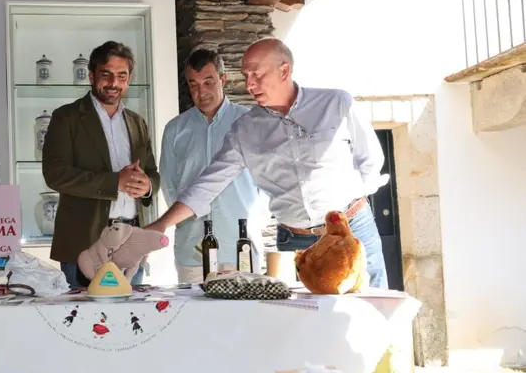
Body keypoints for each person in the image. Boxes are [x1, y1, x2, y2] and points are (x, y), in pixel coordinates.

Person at [146, 38, 389, 288]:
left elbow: (370, 161)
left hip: (351, 228)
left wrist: (349, 208)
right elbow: (207, 185)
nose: (249, 84)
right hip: (294, 241)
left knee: (374, 305)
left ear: (284, 71)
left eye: (257, 74)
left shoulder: (336, 103)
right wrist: (161, 225)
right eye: (246, 75)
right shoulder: (245, 128)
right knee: (296, 313)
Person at [42, 41, 159, 288]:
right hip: (84, 243)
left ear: (129, 80)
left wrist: (147, 186)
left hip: (131, 241)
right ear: (92, 76)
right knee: (82, 312)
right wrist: (115, 182)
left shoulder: (137, 122)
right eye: (106, 74)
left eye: (121, 76)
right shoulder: (66, 117)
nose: (114, 83)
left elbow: (152, 173)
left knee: (131, 311)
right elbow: (55, 174)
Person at [160, 48, 270, 282]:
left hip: (240, 248)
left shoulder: (250, 122)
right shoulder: (174, 129)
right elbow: (169, 186)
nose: (201, 92)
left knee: (244, 307)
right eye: (194, 85)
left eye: (208, 82)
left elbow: (267, 182)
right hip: (192, 253)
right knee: (190, 307)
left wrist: (253, 220)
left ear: (223, 79)